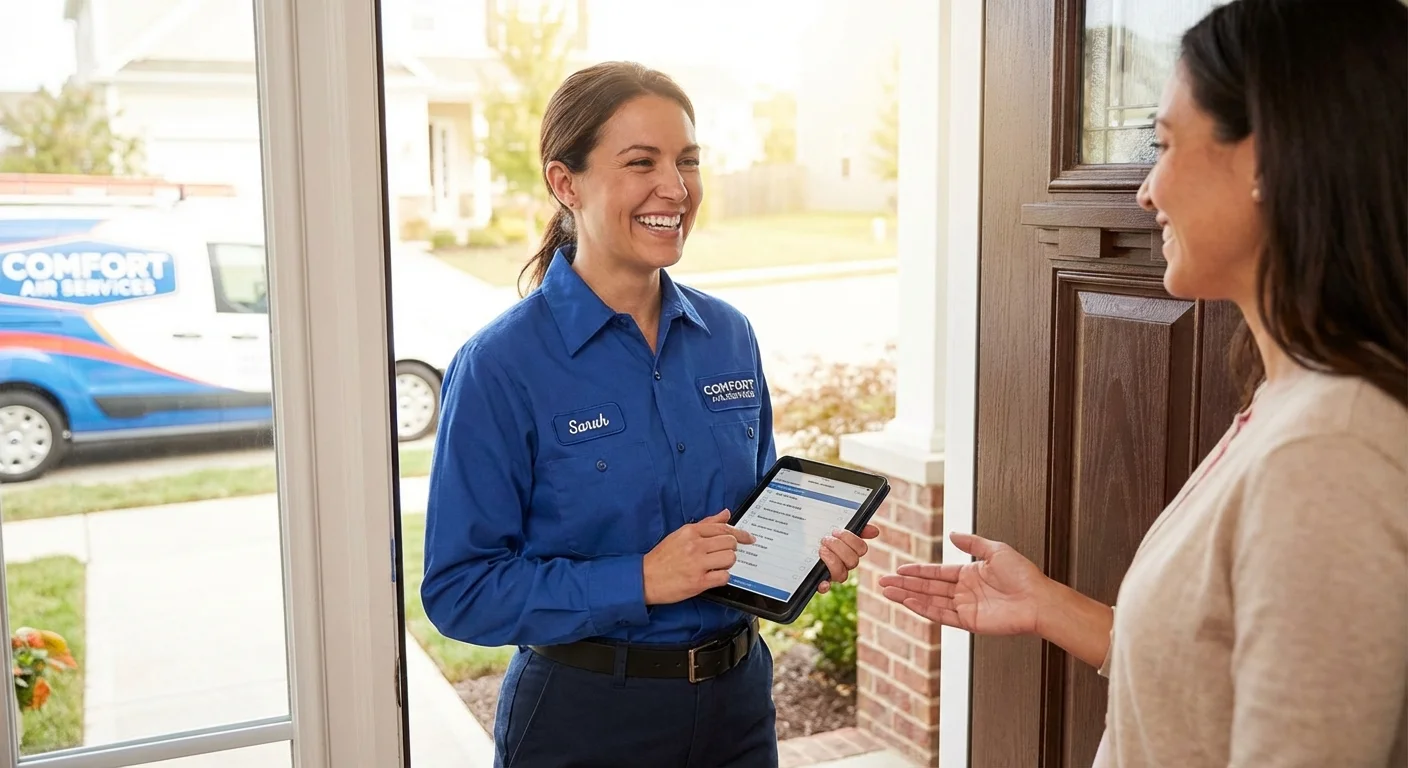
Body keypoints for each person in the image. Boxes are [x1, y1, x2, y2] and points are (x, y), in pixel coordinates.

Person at [879, 1, 1407, 766]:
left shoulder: (1329, 448)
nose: (1144, 193)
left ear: (1266, 161)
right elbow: (1212, 679)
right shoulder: (1287, 403)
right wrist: (1047, 606)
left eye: (1162, 147)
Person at [420, 61, 878, 768]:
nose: (676, 188)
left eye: (687, 161)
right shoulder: (501, 366)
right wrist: (639, 579)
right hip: (586, 722)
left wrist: (802, 555)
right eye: (642, 163)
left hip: (738, 710)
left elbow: (748, 524)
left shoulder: (729, 336)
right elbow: (461, 592)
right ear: (564, 183)